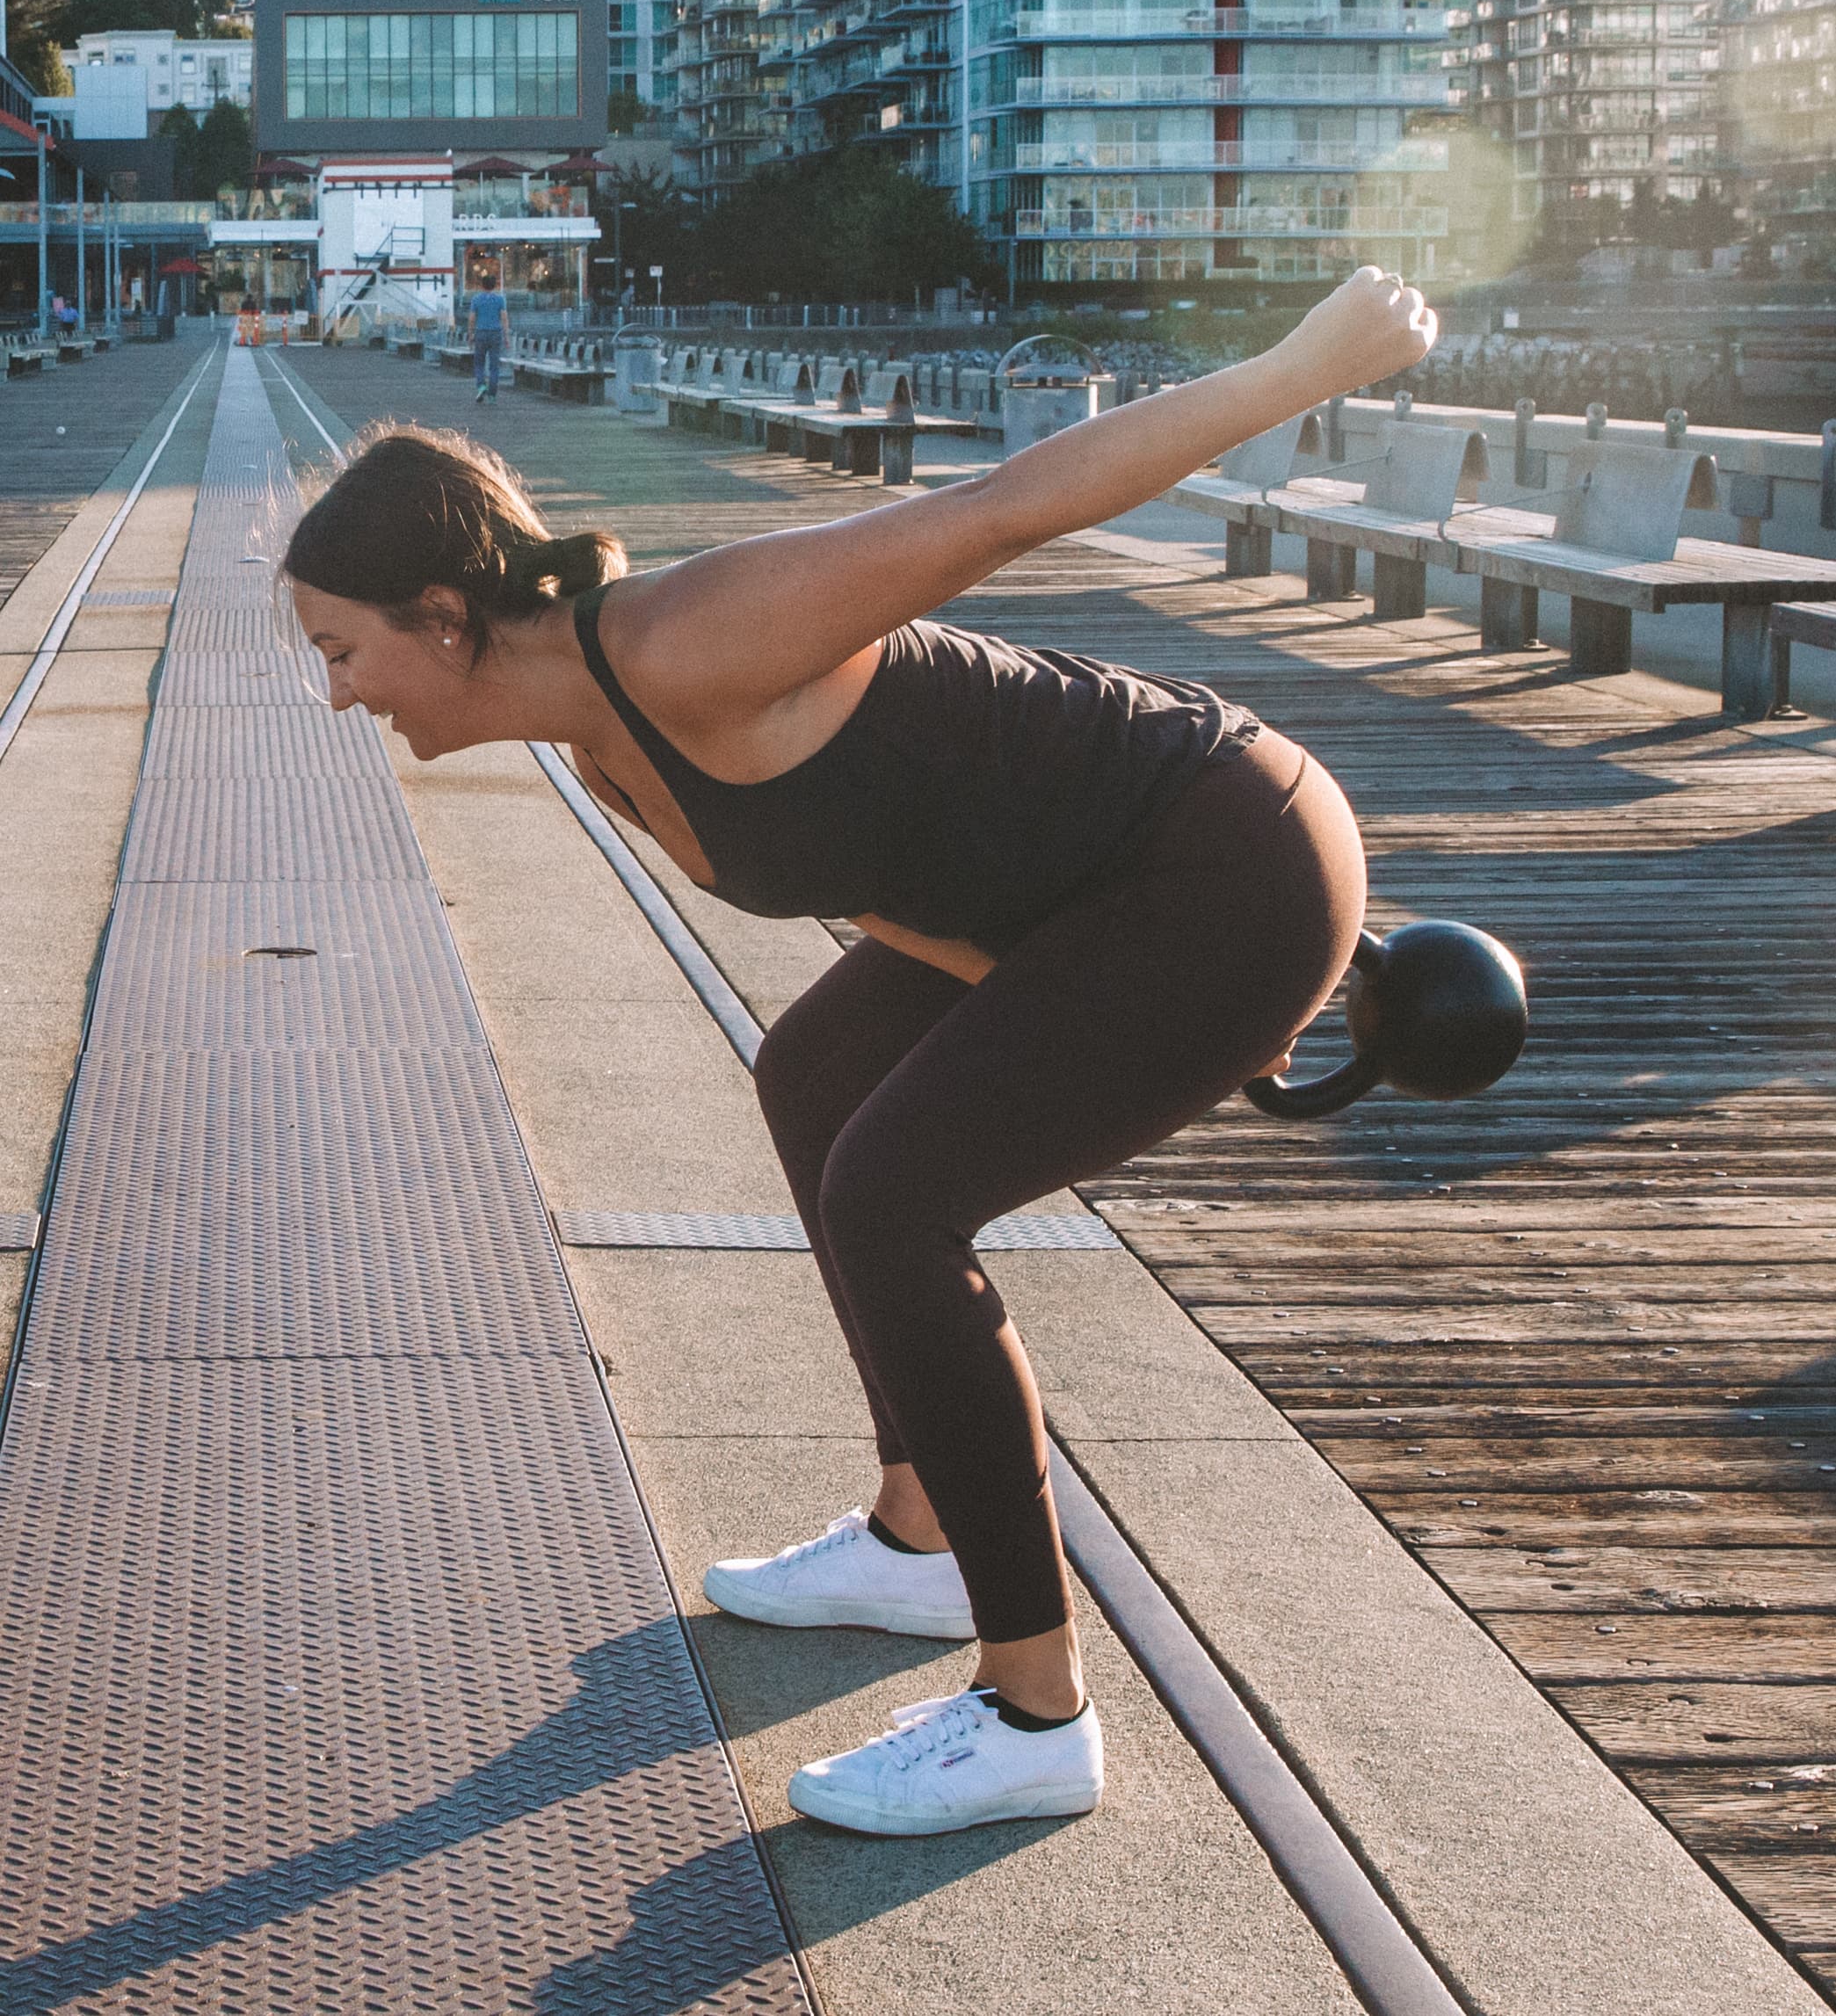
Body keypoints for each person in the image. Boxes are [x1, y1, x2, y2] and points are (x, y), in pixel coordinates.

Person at [284, 265, 1433, 1838]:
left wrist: (1293, 368)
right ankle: (915, 1538)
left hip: (1222, 851)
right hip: (1099, 891)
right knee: (816, 1080)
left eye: (342, 650)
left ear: (443, 619)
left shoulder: (691, 639)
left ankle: (1033, 1710)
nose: (337, 695)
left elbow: (1010, 506)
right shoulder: (598, 739)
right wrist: (1101, 1007)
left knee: (896, 1190)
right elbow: (925, 875)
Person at [469, 268, 507, 403]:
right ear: (495, 285)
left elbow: (472, 318)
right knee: (494, 366)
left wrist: (471, 333)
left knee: (479, 363)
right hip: (496, 334)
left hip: (481, 333)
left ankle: (481, 385)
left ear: (482, 285)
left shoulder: (476, 299)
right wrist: (506, 337)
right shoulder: (500, 299)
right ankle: (492, 396)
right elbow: (504, 318)